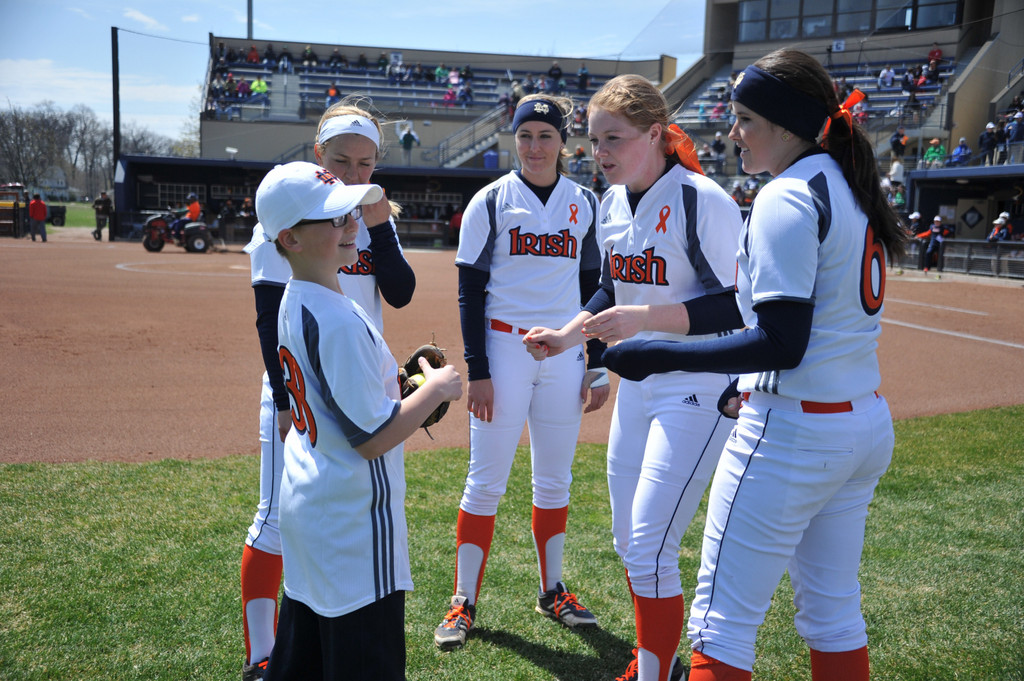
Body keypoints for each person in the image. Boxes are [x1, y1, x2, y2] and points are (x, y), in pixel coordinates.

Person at [598, 48, 907, 681]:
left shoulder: (786, 195)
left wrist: (658, 352)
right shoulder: (844, 183)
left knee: (721, 626)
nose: (731, 132)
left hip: (794, 428)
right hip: (861, 423)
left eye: (744, 118)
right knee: (834, 615)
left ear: (786, 122)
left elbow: (780, 342)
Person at [523, 74, 743, 681]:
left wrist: (641, 319)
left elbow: (741, 307)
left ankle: (651, 673)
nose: (600, 153)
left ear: (654, 133)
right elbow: (610, 288)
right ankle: (662, 664)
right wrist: (571, 335)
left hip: (699, 386)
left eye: (613, 139)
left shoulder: (703, 200)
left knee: (649, 546)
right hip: (640, 386)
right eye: (593, 141)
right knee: (630, 543)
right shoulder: (612, 202)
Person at [252, 161, 461, 681]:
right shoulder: (338, 317)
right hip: (352, 522)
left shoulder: (295, 299)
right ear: (290, 239)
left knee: (304, 658)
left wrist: (397, 388)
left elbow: (334, 396)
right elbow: (371, 439)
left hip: (311, 504)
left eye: (350, 214)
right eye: (333, 220)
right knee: (366, 662)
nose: (352, 227)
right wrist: (434, 389)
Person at [240, 100, 418, 681]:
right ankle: (259, 654)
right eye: (342, 160)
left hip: (358, 373)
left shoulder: (356, 216)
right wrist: (289, 403)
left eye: (366, 163)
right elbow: (271, 317)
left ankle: (286, 657)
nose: (355, 175)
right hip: (309, 386)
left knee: (313, 586)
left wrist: (377, 223)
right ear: (320, 156)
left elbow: (400, 290)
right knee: (274, 520)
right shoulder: (296, 211)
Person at [432, 94, 609, 651]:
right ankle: (463, 599)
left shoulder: (587, 203)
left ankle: (552, 589)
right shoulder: (490, 200)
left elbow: (594, 288)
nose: (535, 146)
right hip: (503, 350)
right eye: (526, 135)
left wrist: (597, 363)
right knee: (485, 482)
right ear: (515, 139)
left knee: (555, 479)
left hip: (565, 353)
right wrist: (476, 368)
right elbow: (469, 291)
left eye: (545, 136)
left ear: (563, 142)